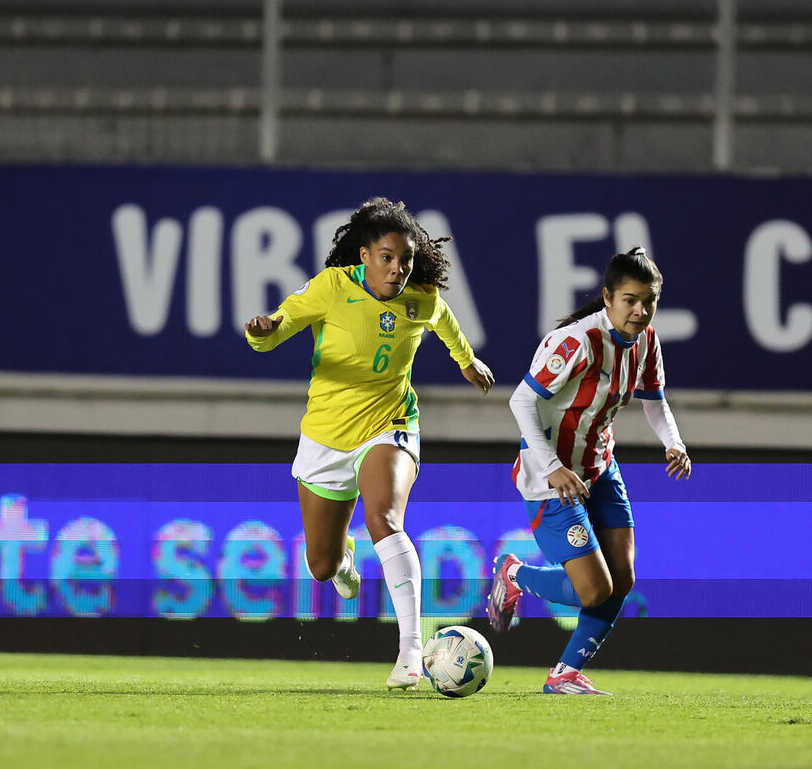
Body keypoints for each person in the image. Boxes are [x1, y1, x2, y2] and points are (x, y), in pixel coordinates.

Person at [245, 197, 495, 690]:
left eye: (405, 258)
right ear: (364, 256)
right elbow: (277, 331)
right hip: (326, 436)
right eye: (387, 257)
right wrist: (262, 333)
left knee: (385, 517)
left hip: (390, 424)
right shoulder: (330, 289)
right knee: (320, 565)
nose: (398, 268)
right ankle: (344, 559)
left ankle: (410, 651)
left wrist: (466, 361)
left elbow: (443, 320)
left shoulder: (419, 298)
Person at [487, 246, 690, 695]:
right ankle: (514, 573)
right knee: (595, 591)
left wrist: (673, 442)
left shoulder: (646, 340)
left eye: (648, 301)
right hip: (551, 477)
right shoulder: (576, 342)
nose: (640, 310)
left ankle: (564, 674)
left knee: (623, 579)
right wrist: (555, 466)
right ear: (607, 297)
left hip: (599, 468)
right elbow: (520, 400)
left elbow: (654, 402)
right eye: (630, 300)